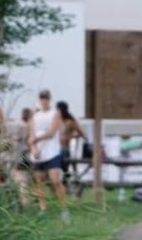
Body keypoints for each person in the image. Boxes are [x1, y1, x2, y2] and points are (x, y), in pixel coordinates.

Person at [29, 89, 70, 222]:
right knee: (39, 182)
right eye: (42, 98)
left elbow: (52, 132)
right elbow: (31, 135)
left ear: (49, 100)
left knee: (55, 181)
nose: (44, 101)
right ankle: (43, 208)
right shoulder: (35, 116)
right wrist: (34, 148)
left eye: (46, 98)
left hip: (52, 152)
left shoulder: (55, 113)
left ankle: (64, 209)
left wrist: (37, 140)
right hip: (39, 154)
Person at [56, 100, 87, 186]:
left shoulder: (70, 121)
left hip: (65, 148)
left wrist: (71, 136)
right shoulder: (56, 121)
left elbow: (81, 133)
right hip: (55, 148)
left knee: (65, 166)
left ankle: (67, 182)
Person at [11, 107, 34, 208]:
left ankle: (23, 201)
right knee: (26, 179)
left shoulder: (20, 125)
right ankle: (25, 201)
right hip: (27, 155)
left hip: (20, 155)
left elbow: (15, 139)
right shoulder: (29, 126)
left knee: (22, 179)